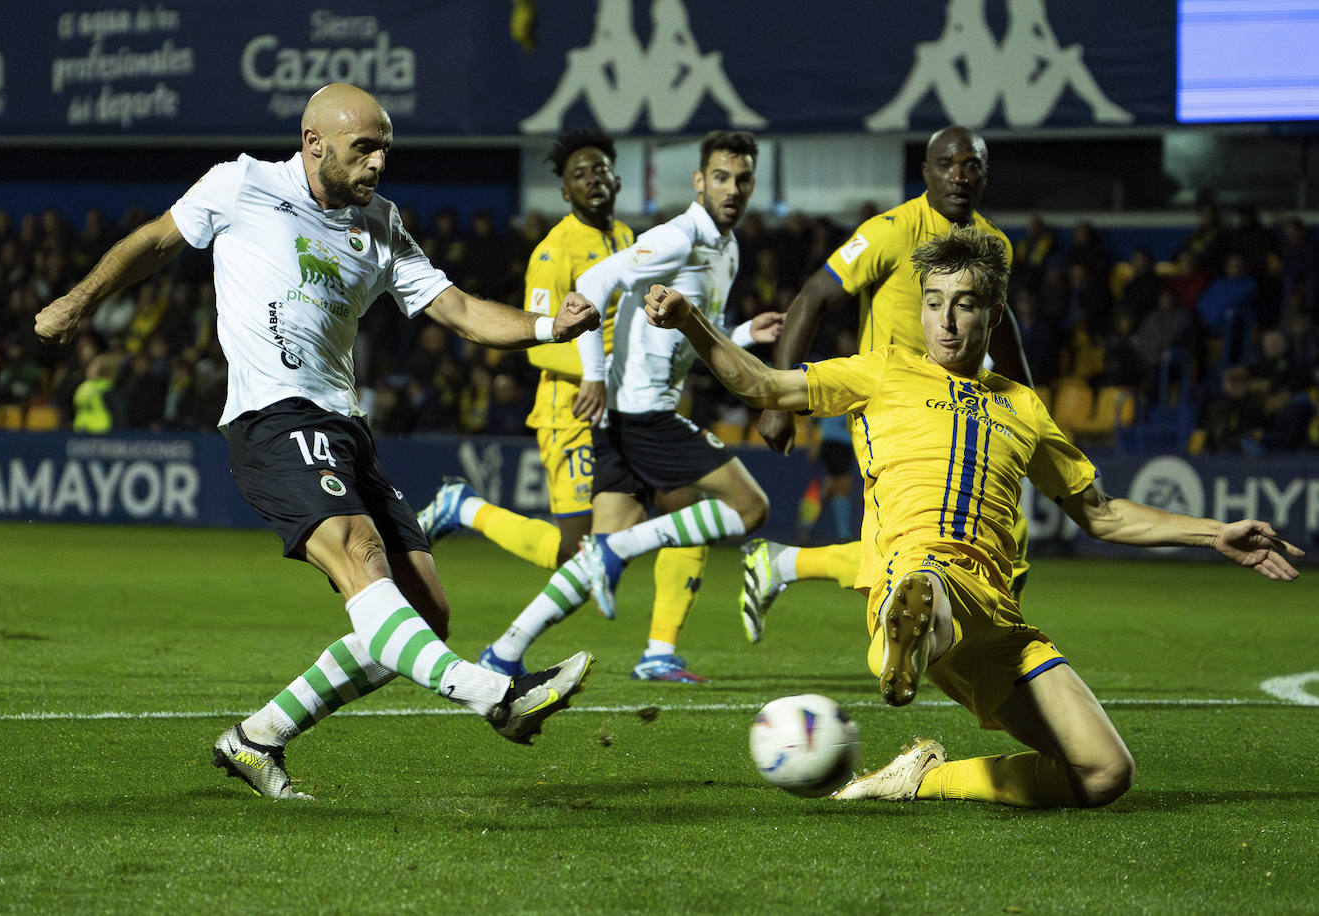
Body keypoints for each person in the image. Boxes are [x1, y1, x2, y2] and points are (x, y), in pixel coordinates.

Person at [33, 83, 600, 800]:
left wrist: (551, 327)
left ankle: (256, 737)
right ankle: (497, 695)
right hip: (272, 418)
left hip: (345, 427)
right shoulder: (242, 185)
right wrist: (79, 301)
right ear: (314, 144)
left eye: (385, 150)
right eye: (364, 148)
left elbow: (456, 310)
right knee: (362, 556)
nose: (377, 164)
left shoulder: (384, 223)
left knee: (425, 612)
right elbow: (153, 242)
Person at [643, 225, 1302, 808]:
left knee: (1104, 774)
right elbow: (761, 385)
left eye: (964, 305)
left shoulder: (1024, 407)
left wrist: (1214, 532)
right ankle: (905, 633)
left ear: (994, 315)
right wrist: (692, 324)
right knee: (928, 584)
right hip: (923, 576)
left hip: (1003, 624)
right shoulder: (881, 374)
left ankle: (921, 777)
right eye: (933, 304)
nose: (946, 321)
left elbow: (1101, 517)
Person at [477, 130, 783, 679]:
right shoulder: (679, 237)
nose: (732, 189)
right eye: (720, 177)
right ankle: (635, 597)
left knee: (593, 549)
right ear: (699, 181)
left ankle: (504, 651)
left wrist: (744, 334)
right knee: (751, 507)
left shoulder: (727, 248)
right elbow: (593, 281)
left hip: (627, 416)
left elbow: (684, 332)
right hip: (644, 414)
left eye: (742, 179)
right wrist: (592, 373)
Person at [417, 128, 715, 682]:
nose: (593, 180)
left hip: (631, 412)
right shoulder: (552, 254)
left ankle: (659, 651)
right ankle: (464, 509)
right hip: (572, 414)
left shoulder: (630, 237)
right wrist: (602, 375)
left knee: (689, 511)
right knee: (577, 557)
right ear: (565, 192)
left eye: (600, 169)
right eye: (580, 174)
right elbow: (537, 347)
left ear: (618, 178)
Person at [742, 125, 1032, 645]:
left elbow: (1000, 325)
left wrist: (1029, 405)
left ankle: (783, 565)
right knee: (923, 539)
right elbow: (811, 298)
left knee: (999, 537)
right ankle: (944, 651)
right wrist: (777, 404)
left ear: (985, 175)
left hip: (963, 407)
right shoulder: (891, 230)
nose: (959, 175)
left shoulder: (995, 245)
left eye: (971, 165)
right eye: (947, 164)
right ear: (926, 172)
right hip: (892, 405)